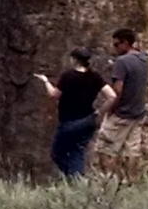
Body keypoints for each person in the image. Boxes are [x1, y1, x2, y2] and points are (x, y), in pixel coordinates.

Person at [92, 24, 148, 178]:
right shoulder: (144, 59)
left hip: (122, 113)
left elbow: (117, 89)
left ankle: (108, 181)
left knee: (103, 148)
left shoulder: (122, 62)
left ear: (126, 43)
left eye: (116, 44)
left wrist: (108, 110)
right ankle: (131, 180)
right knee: (132, 150)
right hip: (138, 112)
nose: (114, 48)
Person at [37, 45, 106, 178]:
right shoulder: (95, 76)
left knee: (57, 153)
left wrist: (45, 81)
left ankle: (75, 178)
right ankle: (76, 180)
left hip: (70, 122)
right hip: (88, 120)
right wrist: (99, 113)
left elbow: (54, 95)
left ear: (74, 60)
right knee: (77, 151)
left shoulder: (68, 76)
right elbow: (112, 96)